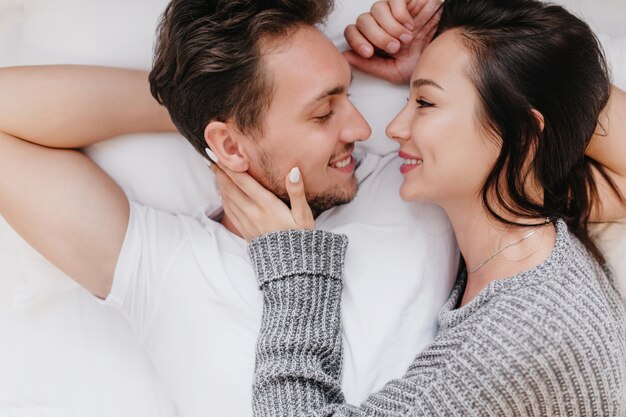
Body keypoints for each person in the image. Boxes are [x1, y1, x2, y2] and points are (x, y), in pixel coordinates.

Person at [0, 0, 458, 415]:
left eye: (349, 95)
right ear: (228, 143)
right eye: (323, 113)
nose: (360, 128)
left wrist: (434, 77)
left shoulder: (410, 186)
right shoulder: (167, 266)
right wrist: (195, 110)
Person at [213, 0, 626, 414]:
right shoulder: (532, 221)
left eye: (424, 104)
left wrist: (294, 267)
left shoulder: (522, 335)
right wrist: (449, 57)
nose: (393, 128)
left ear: (520, 135)